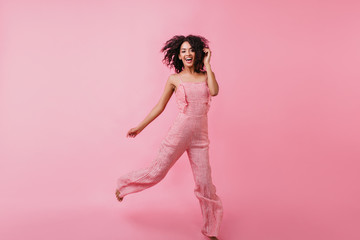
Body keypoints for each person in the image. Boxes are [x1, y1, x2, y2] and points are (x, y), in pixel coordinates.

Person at [115, 34, 223, 239]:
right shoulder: (175, 79)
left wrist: (208, 64)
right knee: (157, 172)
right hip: (179, 133)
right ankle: (123, 186)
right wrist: (140, 126)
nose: (188, 53)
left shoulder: (205, 75)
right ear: (178, 56)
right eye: (183, 51)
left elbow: (215, 91)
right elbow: (160, 106)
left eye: (191, 50)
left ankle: (211, 230)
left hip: (201, 138)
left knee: (205, 184)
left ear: (198, 52)